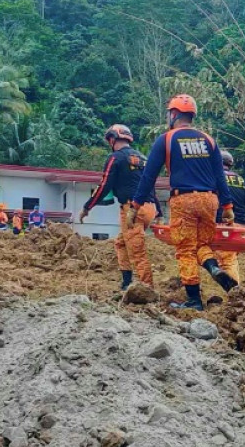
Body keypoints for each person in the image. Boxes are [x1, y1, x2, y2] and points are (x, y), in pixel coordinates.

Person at [131, 94, 236, 310]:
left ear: (174, 114)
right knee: (202, 244)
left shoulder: (167, 139)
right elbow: (220, 176)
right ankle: (213, 267)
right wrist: (228, 207)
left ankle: (194, 301)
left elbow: (148, 176)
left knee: (185, 249)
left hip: (184, 199)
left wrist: (136, 205)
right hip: (209, 199)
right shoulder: (209, 140)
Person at [80, 124, 161, 289]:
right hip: (150, 208)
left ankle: (147, 288)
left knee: (137, 251)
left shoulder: (115, 158)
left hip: (132, 210)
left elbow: (104, 185)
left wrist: (87, 207)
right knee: (121, 243)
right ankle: (126, 282)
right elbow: (150, 185)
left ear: (112, 139)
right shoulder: (143, 158)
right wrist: (158, 210)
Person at [215, 150, 245, 283]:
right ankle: (231, 289)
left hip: (224, 224)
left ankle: (235, 291)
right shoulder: (242, 181)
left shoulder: (214, 178)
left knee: (226, 260)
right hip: (241, 226)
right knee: (229, 257)